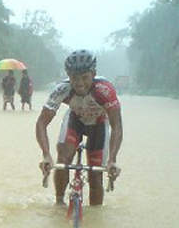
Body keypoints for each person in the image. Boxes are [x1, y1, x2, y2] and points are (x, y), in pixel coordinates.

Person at [35, 49, 122, 206]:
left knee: (95, 175)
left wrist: (112, 160)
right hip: (75, 120)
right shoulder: (62, 89)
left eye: (84, 77)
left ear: (93, 74)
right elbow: (41, 123)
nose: (80, 83)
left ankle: (95, 214)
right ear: (68, 76)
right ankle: (59, 204)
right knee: (63, 159)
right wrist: (46, 155)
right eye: (74, 78)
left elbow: (116, 126)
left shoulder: (105, 90)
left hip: (99, 124)